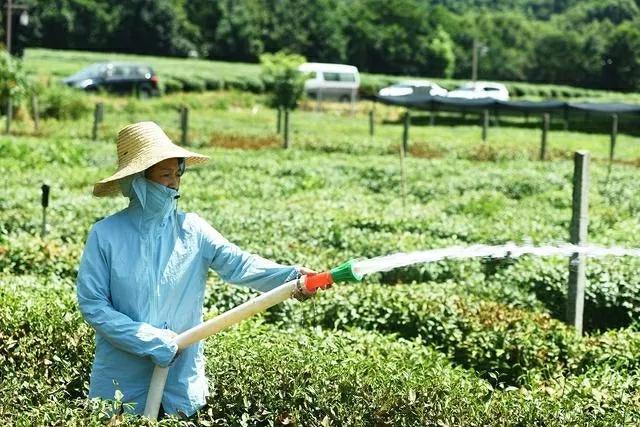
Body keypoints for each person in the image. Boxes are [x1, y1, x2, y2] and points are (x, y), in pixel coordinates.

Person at [76, 121, 315, 418]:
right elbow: (93, 305)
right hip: (121, 381)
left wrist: (292, 278)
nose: (173, 184)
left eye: (177, 174)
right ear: (138, 181)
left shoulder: (192, 229)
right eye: (164, 175)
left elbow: (239, 264)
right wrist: (147, 339)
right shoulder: (106, 234)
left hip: (178, 382)